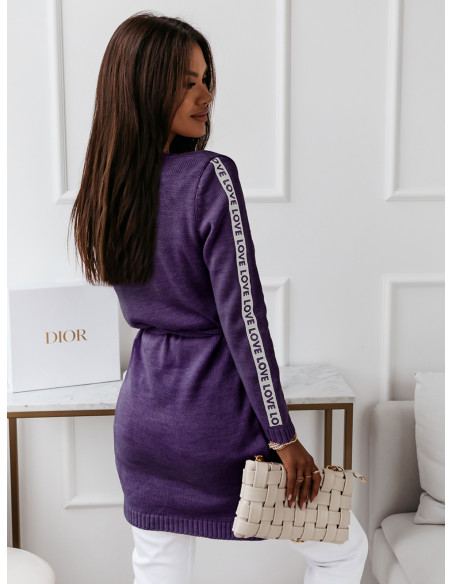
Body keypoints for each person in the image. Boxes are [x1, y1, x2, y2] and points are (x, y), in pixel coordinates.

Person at [68, 11, 368, 584]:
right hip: (213, 428)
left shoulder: (106, 189)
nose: (205, 95)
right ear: (145, 86)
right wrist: (283, 436)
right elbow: (244, 319)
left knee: (159, 569)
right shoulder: (210, 176)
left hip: (143, 425)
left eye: (206, 79)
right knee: (342, 549)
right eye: (187, 82)